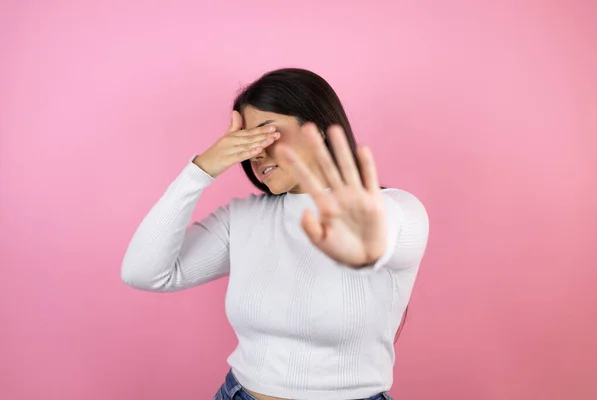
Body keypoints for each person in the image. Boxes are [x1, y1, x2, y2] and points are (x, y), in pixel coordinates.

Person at [121, 68, 429, 400]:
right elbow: (144, 272)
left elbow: (388, 236)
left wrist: (367, 248)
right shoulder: (242, 219)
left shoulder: (396, 208)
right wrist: (200, 170)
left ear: (319, 130)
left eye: (268, 134)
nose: (256, 152)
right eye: (246, 141)